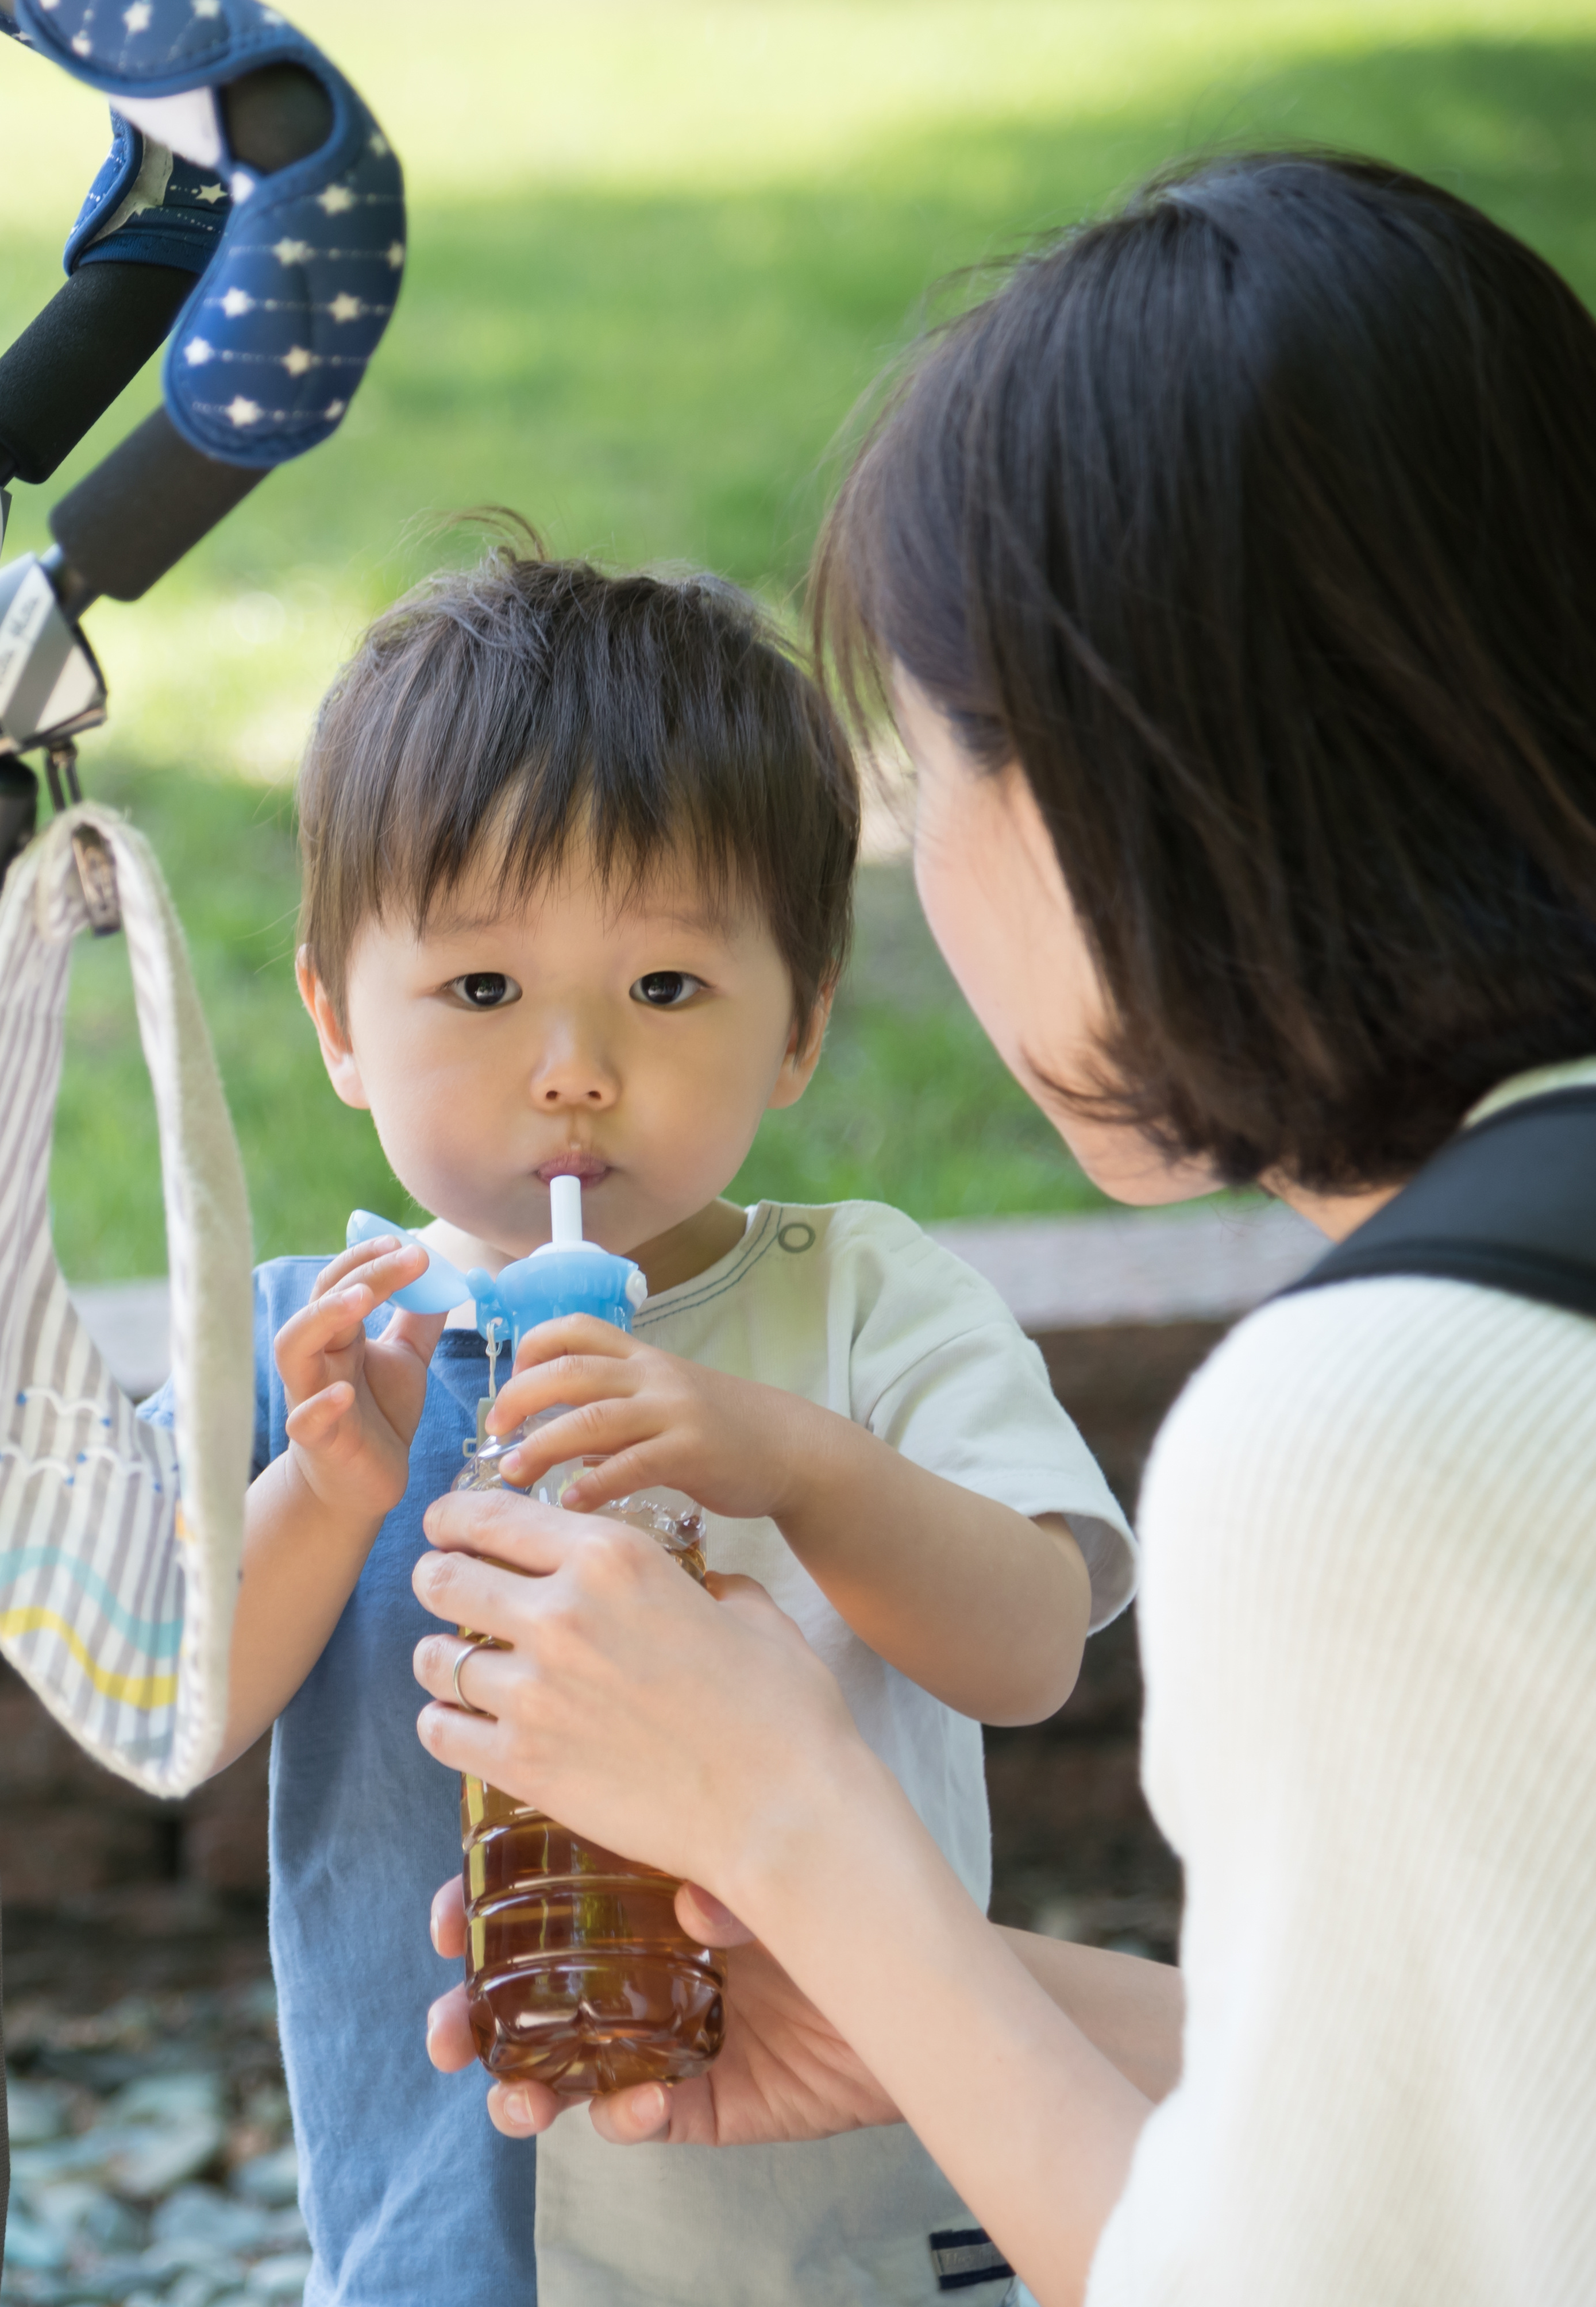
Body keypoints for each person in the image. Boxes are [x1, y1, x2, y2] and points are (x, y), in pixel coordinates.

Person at [406, 152, 1596, 2305]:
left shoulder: (1391, 1426)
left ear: (1105, 785)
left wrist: (796, 1820)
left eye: (930, 769)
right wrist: (937, 1993)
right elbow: (1594, 2124)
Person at [202, 534, 1134, 2307]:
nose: (574, 1066)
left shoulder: (864, 1303)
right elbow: (171, 1712)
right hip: (450, 2239)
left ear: (800, 1029)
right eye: (481, 990)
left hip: (852, 2211)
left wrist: (789, 1459)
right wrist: (327, 1498)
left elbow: (1028, 1649)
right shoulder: (321, 1348)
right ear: (336, 1020)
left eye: (668, 989)